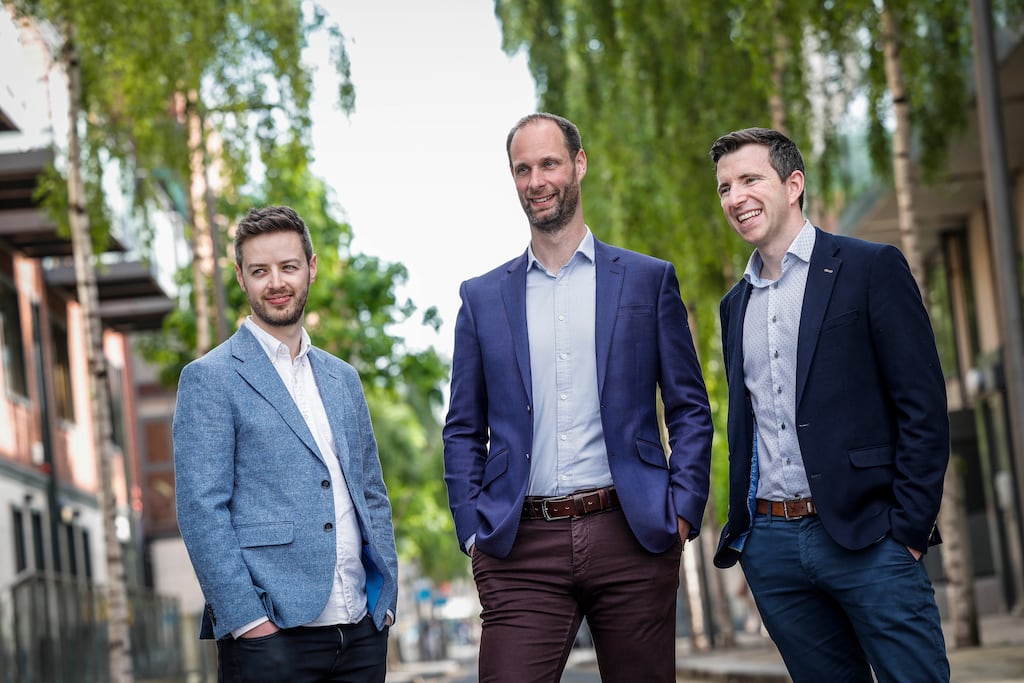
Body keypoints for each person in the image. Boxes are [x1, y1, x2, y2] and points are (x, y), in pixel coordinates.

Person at [442, 112, 714, 682]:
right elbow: (463, 428)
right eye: (522, 169)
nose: (536, 181)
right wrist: (473, 530)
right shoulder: (482, 298)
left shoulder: (646, 280)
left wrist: (683, 510)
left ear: (579, 165)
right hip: (521, 547)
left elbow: (688, 406)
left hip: (632, 532)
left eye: (549, 164)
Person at [710, 127, 950, 682]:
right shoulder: (733, 306)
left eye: (750, 179)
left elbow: (922, 404)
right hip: (773, 549)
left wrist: (908, 531)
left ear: (793, 184)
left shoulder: (869, 268)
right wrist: (752, 544)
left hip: (871, 537)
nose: (735, 197)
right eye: (724, 188)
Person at [173, 205, 398, 683]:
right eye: (260, 271)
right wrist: (249, 623)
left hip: (360, 630)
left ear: (310, 268)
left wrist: (387, 603)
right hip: (271, 639)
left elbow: (371, 493)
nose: (276, 282)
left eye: (288, 267)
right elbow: (200, 510)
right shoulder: (210, 379)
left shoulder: (343, 379)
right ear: (241, 277)